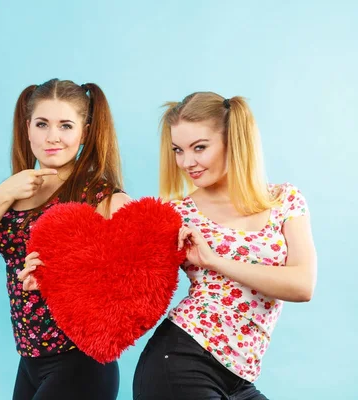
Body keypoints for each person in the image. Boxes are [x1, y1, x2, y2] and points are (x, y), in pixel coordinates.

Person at [0, 78, 130, 400]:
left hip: (81, 361)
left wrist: (61, 276)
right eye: (42, 124)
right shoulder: (17, 190)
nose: (53, 137)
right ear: (27, 128)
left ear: (84, 133)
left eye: (65, 126)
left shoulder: (102, 196)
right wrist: (4, 192)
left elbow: (139, 277)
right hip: (30, 360)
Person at [133, 92, 317, 399]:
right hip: (181, 360)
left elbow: (302, 285)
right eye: (178, 150)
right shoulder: (177, 215)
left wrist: (215, 261)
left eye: (200, 147)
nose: (186, 162)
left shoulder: (284, 200)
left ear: (233, 141)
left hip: (238, 377)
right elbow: (123, 277)